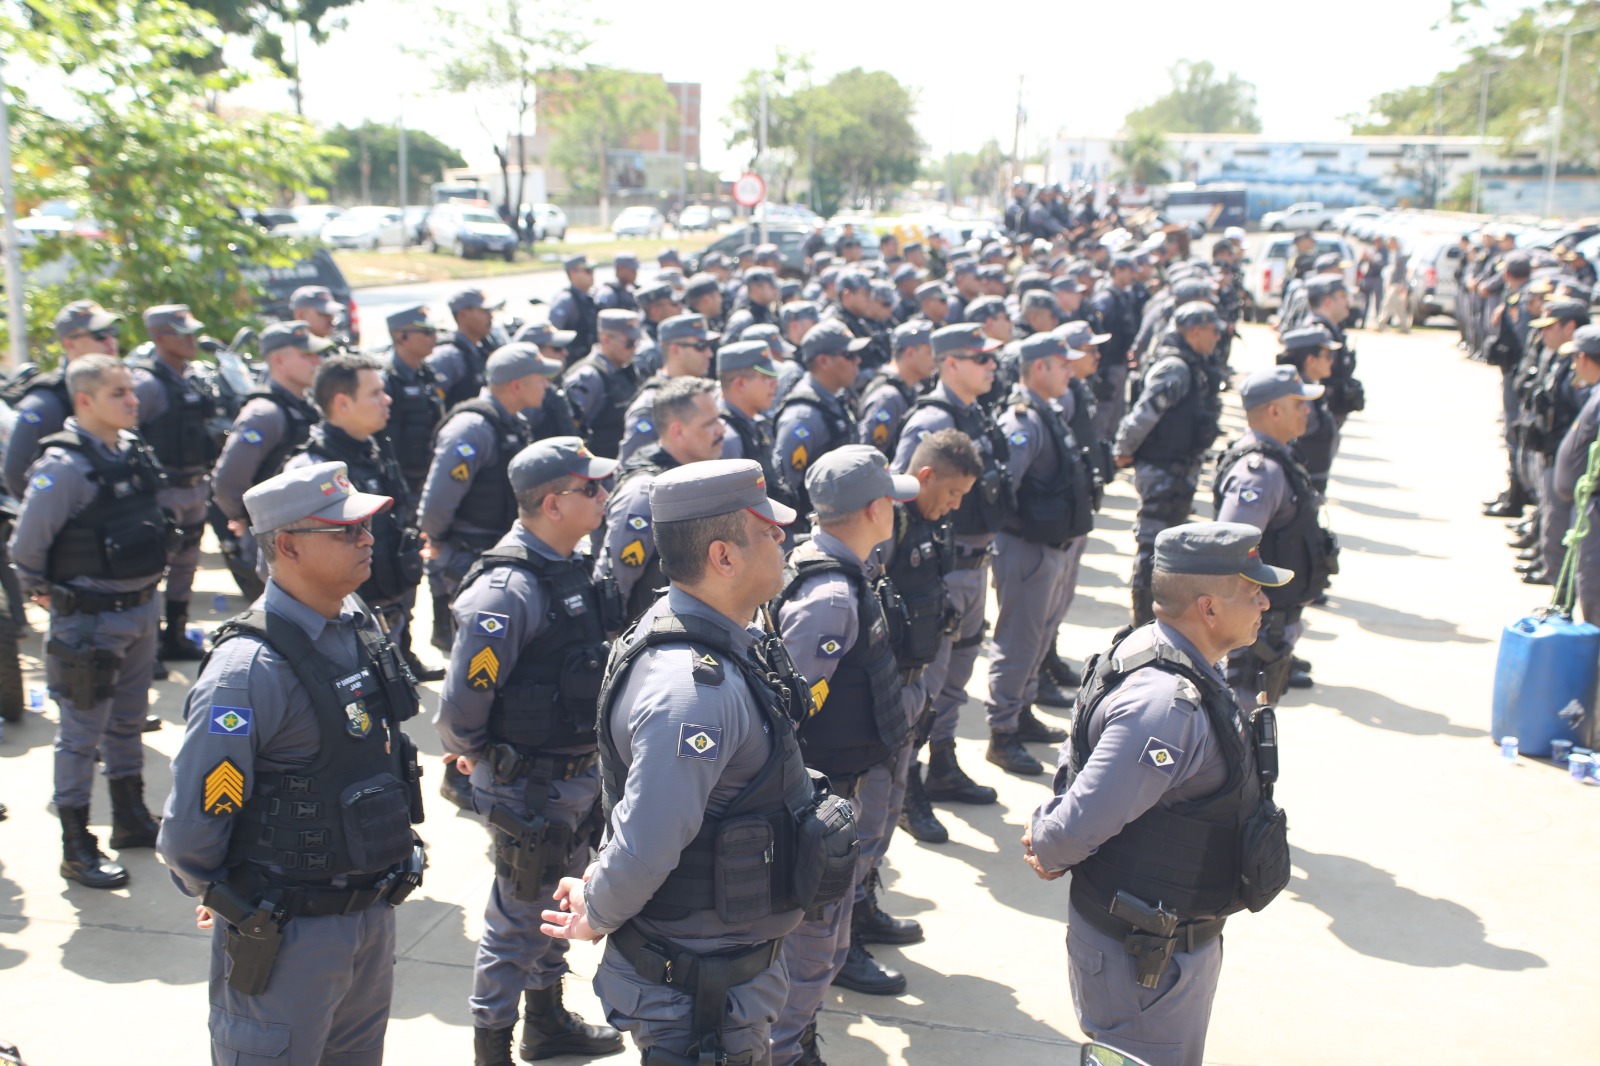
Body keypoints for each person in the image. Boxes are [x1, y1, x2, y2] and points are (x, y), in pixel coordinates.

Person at [541, 459, 858, 1066]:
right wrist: (597, 910)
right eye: (768, 530)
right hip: (699, 995)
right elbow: (650, 836)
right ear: (724, 557)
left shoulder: (727, 637)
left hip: (720, 974)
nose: (783, 539)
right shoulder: (691, 692)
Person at [156, 461, 427, 1066]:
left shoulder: (357, 624)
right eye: (345, 531)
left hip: (367, 917)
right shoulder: (248, 670)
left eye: (365, 527)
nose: (366, 539)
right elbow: (192, 829)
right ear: (287, 545)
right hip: (286, 933)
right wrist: (224, 893)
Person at [1025, 522, 1293, 1066]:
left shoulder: (1155, 648)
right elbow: (1082, 816)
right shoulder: (1166, 707)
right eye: (1252, 590)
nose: (1265, 601)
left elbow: (1081, 748)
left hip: (1160, 943)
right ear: (1208, 608)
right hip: (1146, 961)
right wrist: (1048, 840)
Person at [437, 438, 626, 1065]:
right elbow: (464, 701)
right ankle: (492, 1047)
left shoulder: (566, 563)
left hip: (570, 778)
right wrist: (471, 753)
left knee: (555, 900)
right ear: (553, 503)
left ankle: (546, 1021)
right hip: (529, 785)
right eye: (590, 488)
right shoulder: (507, 587)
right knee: (515, 919)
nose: (603, 496)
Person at [769, 447, 922, 1061]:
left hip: (845, 785)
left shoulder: (850, 570)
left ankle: (796, 1038)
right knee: (810, 947)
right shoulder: (831, 596)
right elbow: (790, 712)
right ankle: (786, 1048)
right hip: (821, 798)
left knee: (825, 941)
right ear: (876, 508)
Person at [10, 354, 168, 888]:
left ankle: (130, 818)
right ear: (85, 401)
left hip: (140, 611)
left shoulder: (130, 451)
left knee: (127, 723)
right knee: (80, 734)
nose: (133, 400)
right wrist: (45, 592)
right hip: (89, 622)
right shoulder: (64, 467)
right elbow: (27, 548)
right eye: (119, 393)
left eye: (132, 390)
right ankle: (77, 844)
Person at [890, 323, 1014, 810]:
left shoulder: (975, 413)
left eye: (991, 359)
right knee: (929, 680)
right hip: (940, 571)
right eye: (980, 359)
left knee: (956, 678)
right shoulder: (929, 422)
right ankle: (910, 786)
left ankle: (942, 762)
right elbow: (902, 499)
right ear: (951, 363)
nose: (991, 367)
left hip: (974, 564)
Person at [985, 332, 1097, 776]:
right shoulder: (1022, 420)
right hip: (1027, 547)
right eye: (1061, 363)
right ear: (1038, 368)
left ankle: (1022, 711)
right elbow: (1003, 490)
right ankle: (1002, 733)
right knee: (1018, 640)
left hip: (1051, 546)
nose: (1071, 369)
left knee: (1038, 636)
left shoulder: (1045, 411)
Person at [283, 354, 431, 678]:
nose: (387, 399)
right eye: (375, 393)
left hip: (386, 614)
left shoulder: (375, 451)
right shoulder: (310, 470)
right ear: (342, 403)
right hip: (343, 628)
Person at [418, 343, 560, 647]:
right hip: (468, 554)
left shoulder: (513, 420)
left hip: (496, 549)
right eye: (540, 378)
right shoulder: (471, 429)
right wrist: (440, 547)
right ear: (517, 385)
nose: (547, 385)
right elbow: (437, 500)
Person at [1213, 367, 1339, 705]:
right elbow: (1230, 552)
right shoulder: (1258, 474)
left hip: (1270, 624)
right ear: (1273, 411)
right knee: (1240, 720)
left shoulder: (1279, 457)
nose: (1307, 410)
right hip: (1256, 628)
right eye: (1299, 403)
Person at [1114, 302, 1225, 626]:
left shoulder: (1196, 364)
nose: (1218, 337)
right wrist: (1123, 450)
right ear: (1195, 331)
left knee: (1169, 549)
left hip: (1179, 468)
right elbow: (1142, 415)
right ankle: (1142, 624)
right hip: (1162, 470)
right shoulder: (1174, 367)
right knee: (1152, 549)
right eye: (1213, 330)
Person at [210, 321, 329, 601]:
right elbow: (227, 481)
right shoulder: (265, 413)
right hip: (274, 542)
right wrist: (245, 517)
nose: (317, 361)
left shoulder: (304, 405)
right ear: (278, 360)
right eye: (306, 355)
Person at [129, 304, 219, 665]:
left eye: (192, 332)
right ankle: (145, 650)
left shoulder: (192, 377)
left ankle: (176, 636)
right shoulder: (146, 383)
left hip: (194, 487)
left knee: (186, 564)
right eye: (181, 334)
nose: (191, 340)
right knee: (152, 569)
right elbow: (128, 435)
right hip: (162, 491)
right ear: (158, 337)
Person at [596, 378, 727, 625]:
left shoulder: (695, 474)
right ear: (678, 431)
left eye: (719, 419)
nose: (722, 429)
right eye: (710, 424)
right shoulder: (645, 493)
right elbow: (614, 585)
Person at [4, 299, 122, 498]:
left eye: (113, 332)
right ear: (69, 343)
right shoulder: (47, 402)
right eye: (99, 335)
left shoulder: (122, 386)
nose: (110, 341)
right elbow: (15, 473)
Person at [771, 320, 865, 522]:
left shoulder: (836, 396)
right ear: (824, 361)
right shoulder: (802, 417)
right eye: (849, 355)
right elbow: (787, 489)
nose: (858, 360)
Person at [617, 313, 717, 462]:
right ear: (675, 349)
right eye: (701, 346)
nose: (709, 353)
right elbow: (633, 464)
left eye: (710, 346)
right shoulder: (650, 404)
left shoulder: (704, 392)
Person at [1554, 324, 1600, 622]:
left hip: (1595, 506)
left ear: (1584, 358)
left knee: (1593, 586)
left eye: (1574, 359)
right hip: (1587, 506)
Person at [379, 305, 447, 502]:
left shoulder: (426, 374)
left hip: (424, 476)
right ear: (402, 336)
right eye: (427, 332)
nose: (434, 337)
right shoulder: (385, 380)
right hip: (397, 483)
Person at [562, 309, 642, 459]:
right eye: (629, 343)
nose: (634, 349)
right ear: (606, 339)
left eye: (637, 343)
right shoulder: (588, 377)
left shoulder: (623, 369)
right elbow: (570, 431)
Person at [1275, 325, 1342, 496]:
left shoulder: (1309, 389)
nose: (1331, 361)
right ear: (1310, 360)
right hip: (1298, 490)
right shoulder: (1297, 398)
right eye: (1327, 355)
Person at [858, 321, 935, 457]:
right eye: (930, 352)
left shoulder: (908, 387)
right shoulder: (887, 398)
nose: (934, 359)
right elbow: (869, 458)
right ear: (910, 353)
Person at [715, 340, 781, 486]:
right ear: (740, 384)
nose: (775, 384)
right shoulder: (726, 438)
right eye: (766, 377)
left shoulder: (755, 420)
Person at [429, 288, 506, 408]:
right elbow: (433, 404)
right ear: (463, 315)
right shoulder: (449, 357)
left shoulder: (484, 348)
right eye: (484, 312)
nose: (491, 317)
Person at [547, 255, 599, 365]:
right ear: (572, 273)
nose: (592, 274)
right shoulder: (565, 300)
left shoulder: (590, 297)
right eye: (587, 271)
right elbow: (551, 337)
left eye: (592, 270)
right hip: (573, 364)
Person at [1376, 236, 1411, 333]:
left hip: (1397, 284)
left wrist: (1402, 284)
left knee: (1387, 304)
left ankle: (1381, 324)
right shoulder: (1393, 254)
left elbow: (1402, 272)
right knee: (1399, 307)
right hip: (1393, 283)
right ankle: (1405, 327)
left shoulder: (1400, 255)